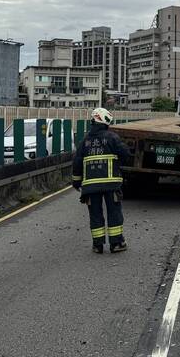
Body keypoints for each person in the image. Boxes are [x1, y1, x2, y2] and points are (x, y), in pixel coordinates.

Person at [72, 107, 132, 254]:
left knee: (95, 214)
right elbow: (126, 154)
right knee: (114, 212)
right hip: (111, 185)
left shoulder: (84, 141)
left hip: (91, 187)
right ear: (105, 121)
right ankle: (116, 244)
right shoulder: (112, 138)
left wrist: (76, 182)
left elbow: (77, 163)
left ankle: (98, 245)